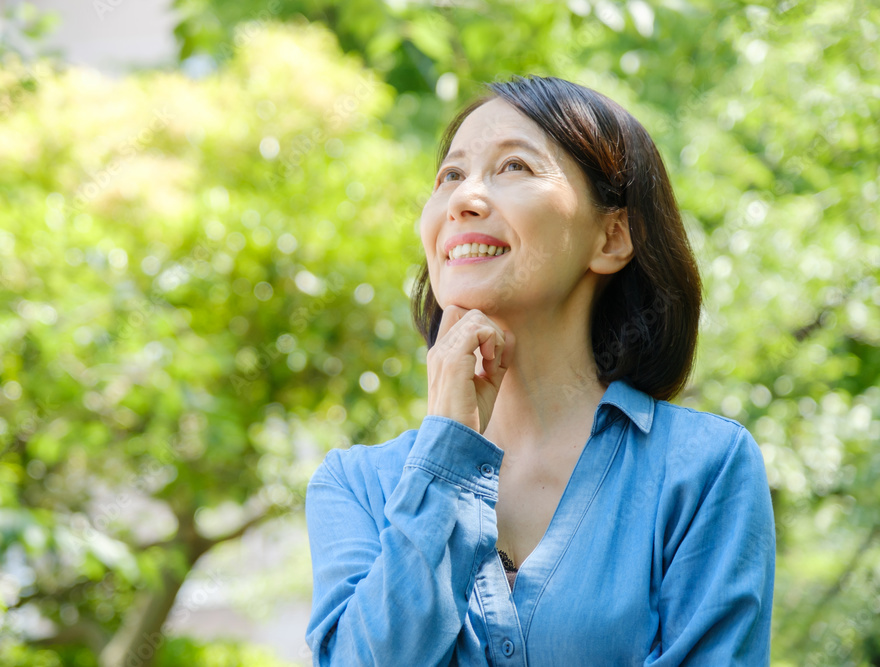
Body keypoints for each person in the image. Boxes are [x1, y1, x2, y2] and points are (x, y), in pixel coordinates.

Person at [304, 74, 776, 666]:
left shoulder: (702, 470)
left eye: (514, 168)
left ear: (612, 237)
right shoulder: (355, 484)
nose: (463, 199)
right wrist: (447, 455)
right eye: (450, 174)